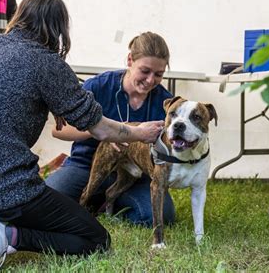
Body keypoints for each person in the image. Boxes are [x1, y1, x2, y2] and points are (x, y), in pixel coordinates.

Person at [0, 0, 165, 271]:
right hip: (3, 188)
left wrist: (55, 102)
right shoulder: (45, 61)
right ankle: (6, 235)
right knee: (95, 238)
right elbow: (101, 129)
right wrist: (141, 133)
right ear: (58, 30)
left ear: (19, 16)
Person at [46, 31, 176, 227]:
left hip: (136, 175)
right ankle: (96, 200)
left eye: (158, 74)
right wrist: (103, 130)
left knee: (162, 215)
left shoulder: (164, 101)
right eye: (145, 71)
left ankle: (106, 203)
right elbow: (58, 129)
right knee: (48, 202)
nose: (150, 80)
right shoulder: (98, 87)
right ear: (130, 60)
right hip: (85, 166)